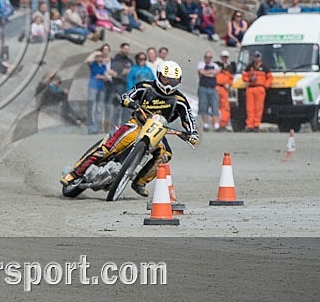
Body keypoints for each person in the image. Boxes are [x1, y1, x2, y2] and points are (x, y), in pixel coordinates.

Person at [62, 60, 198, 197]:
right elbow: (126, 96)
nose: (168, 84)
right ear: (158, 75)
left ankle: (140, 182)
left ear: (178, 81)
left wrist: (192, 134)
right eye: (165, 79)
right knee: (107, 148)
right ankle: (75, 173)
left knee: (165, 154)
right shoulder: (144, 87)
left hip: (158, 131)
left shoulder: (180, 100)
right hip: (137, 124)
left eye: (173, 81)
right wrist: (129, 102)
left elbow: (188, 118)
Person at [242, 50, 272, 132]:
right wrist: (249, 79)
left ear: (260, 58)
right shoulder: (249, 67)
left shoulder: (264, 67)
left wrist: (265, 86)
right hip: (250, 88)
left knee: (258, 108)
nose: (256, 58)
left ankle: (256, 125)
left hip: (260, 88)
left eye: (258, 57)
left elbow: (270, 78)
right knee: (249, 108)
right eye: (255, 57)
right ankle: (249, 125)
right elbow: (244, 76)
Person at [197, 51, 221, 132]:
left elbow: (216, 73)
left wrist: (206, 73)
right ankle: (205, 124)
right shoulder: (201, 64)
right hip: (203, 88)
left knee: (215, 106)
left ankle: (216, 125)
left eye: (210, 57)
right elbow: (201, 72)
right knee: (203, 106)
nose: (208, 59)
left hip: (213, 88)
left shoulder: (215, 65)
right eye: (206, 57)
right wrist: (210, 73)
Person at [216, 50, 234, 131]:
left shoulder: (230, 67)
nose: (224, 58)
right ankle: (216, 124)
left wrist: (229, 84)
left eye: (226, 57)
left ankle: (223, 124)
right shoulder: (216, 65)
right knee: (215, 107)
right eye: (223, 57)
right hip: (216, 87)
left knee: (225, 107)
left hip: (225, 89)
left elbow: (231, 78)